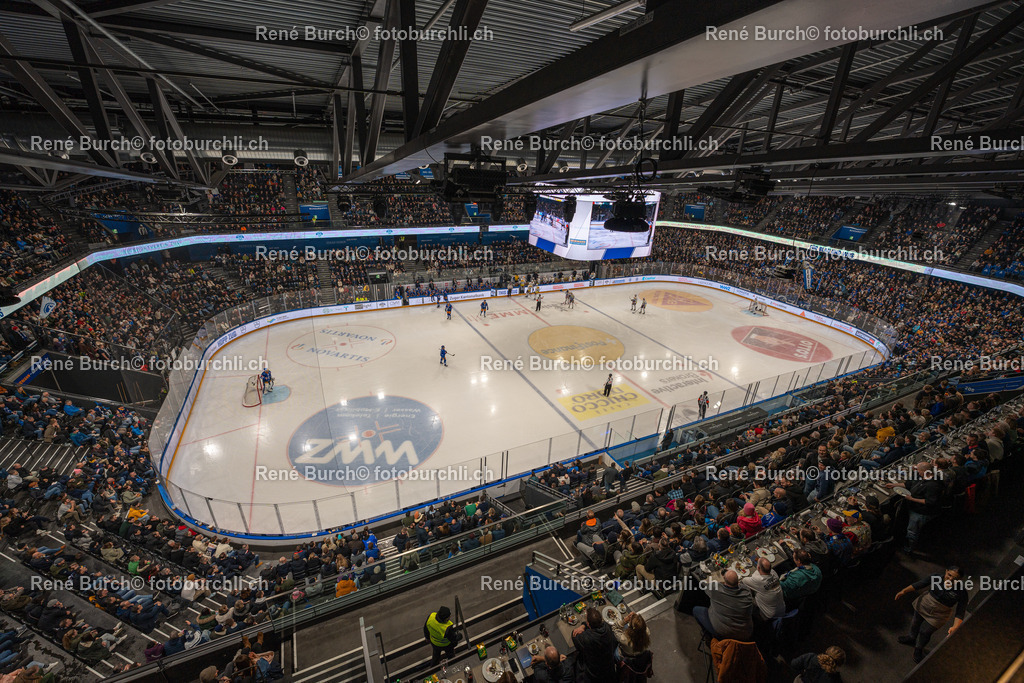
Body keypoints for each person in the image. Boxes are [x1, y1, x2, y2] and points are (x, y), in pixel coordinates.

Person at [895, 566, 968, 663]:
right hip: (925, 603)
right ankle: (911, 637)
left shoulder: (961, 592)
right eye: (949, 575)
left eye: (955, 578)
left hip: (940, 613)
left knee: (925, 632)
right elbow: (920, 584)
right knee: (915, 622)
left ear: (959, 580)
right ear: (946, 571)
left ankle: (918, 648)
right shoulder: (936, 577)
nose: (950, 579)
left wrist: (955, 626)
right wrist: (904, 591)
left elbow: (960, 610)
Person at [693, 569, 753, 641]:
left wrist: (721, 581)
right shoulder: (747, 593)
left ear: (724, 579)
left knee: (696, 610)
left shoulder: (715, 589)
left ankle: (709, 637)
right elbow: (743, 587)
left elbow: (706, 587)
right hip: (744, 633)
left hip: (723, 632)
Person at [571, 606, 617, 683]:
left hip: (594, 673)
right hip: (609, 667)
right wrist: (584, 625)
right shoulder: (607, 627)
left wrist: (582, 626)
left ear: (588, 624)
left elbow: (574, 635)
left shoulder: (587, 638)